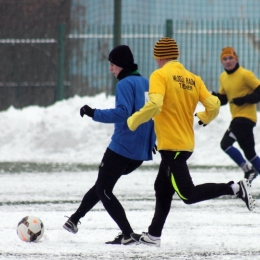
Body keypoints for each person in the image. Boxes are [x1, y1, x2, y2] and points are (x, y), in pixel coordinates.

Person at [127, 37, 255, 247]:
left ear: (158, 57)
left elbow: (155, 104)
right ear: (175, 55)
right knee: (162, 187)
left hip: (172, 147)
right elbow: (213, 104)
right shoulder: (193, 79)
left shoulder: (159, 75)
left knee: (187, 194)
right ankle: (153, 235)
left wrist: (133, 121)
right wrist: (204, 117)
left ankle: (234, 188)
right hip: (184, 144)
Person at [63, 45, 156, 245]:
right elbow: (153, 113)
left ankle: (128, 234)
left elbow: (122, 112)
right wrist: (151, 140)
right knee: (102, 185)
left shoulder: (124, 84)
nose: (110, 69)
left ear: (121, 65)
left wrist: (93, 112)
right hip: (138, 153)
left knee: (104, 189)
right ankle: (74, 219)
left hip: (122, 147)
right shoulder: (146, 83)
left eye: (112, 65)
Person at [212, 46, 260, 184]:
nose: (228, 61)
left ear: (236, 59)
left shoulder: (245, 74)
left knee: (225, 143)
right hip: (237, 118)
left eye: (230, 58)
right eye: (225, 59)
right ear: (222, 62)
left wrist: (244, 99)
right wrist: (211, 97)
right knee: (250, 154)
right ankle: (250, 169)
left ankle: (249, 171)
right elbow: (224, 99)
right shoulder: (223, 77)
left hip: (246, 118)